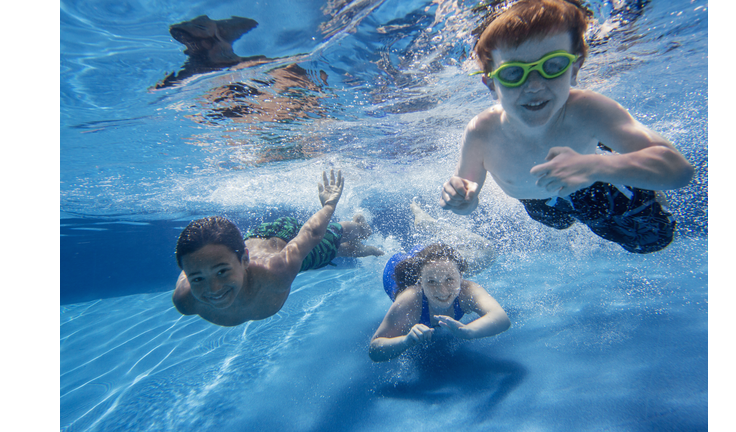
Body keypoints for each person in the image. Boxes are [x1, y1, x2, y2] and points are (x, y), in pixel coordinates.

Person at [439, 0, 694, 254]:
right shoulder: (480, 132)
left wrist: (596, 167)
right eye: (513, 72)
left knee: (653, 239)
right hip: (539, 205)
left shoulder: (589, 109)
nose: (534, 86)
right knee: (559, 223)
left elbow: (679, 170)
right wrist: (461, 200)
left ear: (574, 70)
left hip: (594, 184)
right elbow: (468, 196)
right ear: (491, 84)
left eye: (553, 65)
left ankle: (607, 154)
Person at [173, 170, 384, 326]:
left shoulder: (277, 269)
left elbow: (311, 234)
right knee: (325, 254)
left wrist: (329, 205)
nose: (213, 288)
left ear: (244, 260)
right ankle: (356, 249)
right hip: (254, 241)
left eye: (222, 271)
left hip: (285, 237)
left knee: (330, 238)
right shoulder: (185, 300)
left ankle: (360, 228)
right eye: (198, 278)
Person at [369, 242, 511, 363]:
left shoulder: (467, 290)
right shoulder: (410, 300)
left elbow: (502, 318)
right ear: (420, 282)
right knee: (420, 265)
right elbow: (374, 350)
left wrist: (467, 331)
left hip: (430, 265)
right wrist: (406, 341)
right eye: (431, 282)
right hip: (394, 272)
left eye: (449, 279)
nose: (442, 291)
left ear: (461, 276)